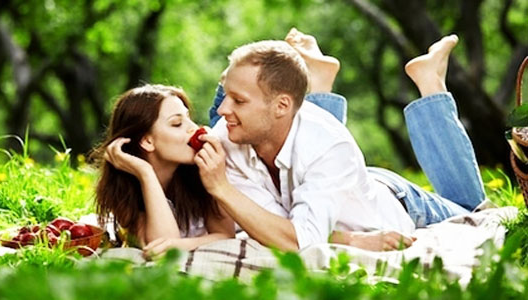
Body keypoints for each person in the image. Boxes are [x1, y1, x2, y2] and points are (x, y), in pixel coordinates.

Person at [201, 28, 485, 252]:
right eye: (225, 96)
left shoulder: (329, 143)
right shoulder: (227, 139)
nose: (222, 110)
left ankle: (430, 81)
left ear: (282, 105)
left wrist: (222, 189)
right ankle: (321, 80)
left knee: (479, 215)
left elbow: (297, 240)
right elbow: (275, 227)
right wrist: (349, 240)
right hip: (339, 184)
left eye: (237, 100)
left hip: (401, 205)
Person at [92, 84, 234, 258]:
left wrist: (181, 245)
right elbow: (159, 250)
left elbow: (226, 235)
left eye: (189, 118)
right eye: (177, 124)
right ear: (147, 141)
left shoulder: (203, 171)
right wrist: (145, 173)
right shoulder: (125, 189)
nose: (193, 128)